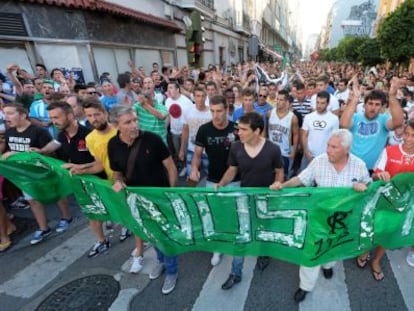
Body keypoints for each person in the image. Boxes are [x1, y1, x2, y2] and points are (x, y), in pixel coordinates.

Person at [271, 129, 371, 303]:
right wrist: (283, 186)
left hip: (342, 222)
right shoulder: (319, 162)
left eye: (334, 147)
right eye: (328, 146)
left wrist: (363, 186)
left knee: (333, 249)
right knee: (311, 253)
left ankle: (328, 265)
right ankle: (305, 286)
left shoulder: (360, 166)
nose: (328, 150)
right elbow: (301, 179)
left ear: (346, 149)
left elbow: (368, 188)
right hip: (318, 219)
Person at [107, 105, 179, 295]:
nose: (134, 125)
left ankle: (172, 270)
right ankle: (161, 262)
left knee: (164, 236)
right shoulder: (113, 145)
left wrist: (170, 195)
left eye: (135, 120)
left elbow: (171, 167)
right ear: (116, 126)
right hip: (136, 201)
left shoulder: (152, 139)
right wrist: (118, 183)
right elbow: (117, 173)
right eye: (128, 122)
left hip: (160, 199)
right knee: (150, 233)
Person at [216, 111, 284, 290]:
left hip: (266, 200)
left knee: (263, 229)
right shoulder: (236, 147)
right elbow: (232, 169)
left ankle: (263, 253)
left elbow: (279, 171)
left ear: (257, 131)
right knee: (242, 236)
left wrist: (278, 183)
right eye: (239, 129)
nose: (239, 133)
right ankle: (235, 273)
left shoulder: (273, 149)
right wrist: (221, 184)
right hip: (244, 199)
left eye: (244, 129)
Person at [1, 103, 72, 244]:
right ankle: (43, 228)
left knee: (57, 194)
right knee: (32, 200)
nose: (6, 116)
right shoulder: (10, 133)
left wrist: (26, 153)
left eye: (10, 113)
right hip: (25, 175)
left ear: (22, 115)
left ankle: (66, 217)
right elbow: (9, 153)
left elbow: (49, 152)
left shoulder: (38, 131)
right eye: (5, 113)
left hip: (44, 172)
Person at [356, 120, 414, 278]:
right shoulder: (389, 151)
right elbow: (374, 175)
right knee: (373, 228)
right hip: (382, 199)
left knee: (389, 232)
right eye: (407, 134)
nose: (408, 139)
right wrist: (379, 175)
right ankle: (365, 252)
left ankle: (376, 260)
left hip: (404, 205)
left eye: (413, 136)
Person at [189, 95, 239, 266]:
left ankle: (233, 242)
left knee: (233, 213)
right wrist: (194, 168)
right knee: (215, 214)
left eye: (219, 111)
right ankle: (218, 247)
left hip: (235, 179)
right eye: (212, 111)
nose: (216, 115)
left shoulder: (236, 129)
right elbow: (197, 154)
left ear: (226, 110)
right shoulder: (204, 130)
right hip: (212, 179)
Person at [340, 77, 404, 173]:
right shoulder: (355, 117)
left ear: (382, 106)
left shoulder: (384, 119)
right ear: (364, 105)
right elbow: (344, 125)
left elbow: (398, 122)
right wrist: (355, 98)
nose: (373, 108)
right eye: (370, 103)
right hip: (350, 167)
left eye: (377, 104)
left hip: (372, 170)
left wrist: (392, 96)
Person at [179, 87, 212, 183]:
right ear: (193, 97)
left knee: (210, 175)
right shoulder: (187, 110)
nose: (200, 99)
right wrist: (181, 150)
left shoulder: (211, 112)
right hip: (192, 149)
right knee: (191, 177)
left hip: (207, 150)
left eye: (203, 96)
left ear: (206, 97)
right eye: (198, 96)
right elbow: (185, 131)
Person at [301, 91, 339, 171]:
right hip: (308, 156)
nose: (319, 105)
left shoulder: (334, 119)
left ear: (328, 104)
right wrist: (306, 151)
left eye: (322, 103)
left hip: (325, 157)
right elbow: (304, 135)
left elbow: (334, 139)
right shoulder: (308, 117)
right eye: (317, 102)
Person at [267, 90, 299, 178]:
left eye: (281, 100)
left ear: (286, 102)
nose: (278, 102)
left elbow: (296, 134)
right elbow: (265, 131)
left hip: (284, 152)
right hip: (271, 151)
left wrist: (294, 151)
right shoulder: (270, 113)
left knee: (282, 178)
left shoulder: (293, 118)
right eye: (277, 99)